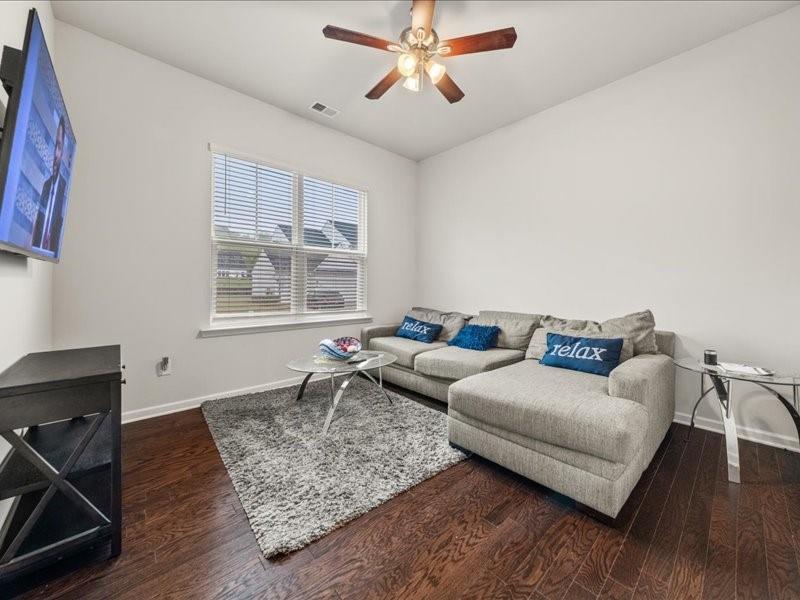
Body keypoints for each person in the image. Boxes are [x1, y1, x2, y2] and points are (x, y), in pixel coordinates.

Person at [32, 116, 67, 252]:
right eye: (54, 147)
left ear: (63, 151)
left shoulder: (64, 190)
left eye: (58, 146)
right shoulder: (46, 186)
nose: (55, 154)